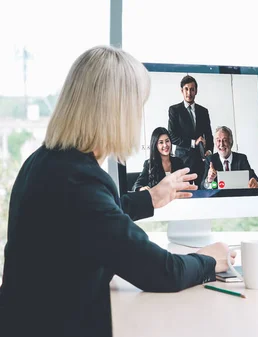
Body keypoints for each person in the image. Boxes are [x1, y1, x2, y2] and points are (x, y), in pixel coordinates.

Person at [0, 46, 237, 337]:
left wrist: (149, 198)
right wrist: (210, 260)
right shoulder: (80, 183)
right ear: (119, 112)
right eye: (138, 106)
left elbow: (95, 219)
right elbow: (163, 272)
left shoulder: (48, 162)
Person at [168, 75, 213, 183]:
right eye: (186, 89)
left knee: (202, 191)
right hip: (182, 160)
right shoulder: (174, 110)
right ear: (181, 91)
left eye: (192, 89)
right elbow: (172, 136)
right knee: (185, 193)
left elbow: (209, 135)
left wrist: (209, 151)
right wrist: (193, 142)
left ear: (196, 91)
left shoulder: (203, 111)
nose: (189, 93)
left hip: (200, 160)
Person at [132, 127, 185, 191]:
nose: (165, 145)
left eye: (167, 141)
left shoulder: (178, 162)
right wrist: (141, 189)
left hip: (178, 199)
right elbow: (137, 185)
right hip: (159, 200)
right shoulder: (149, 164)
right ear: (155, 145)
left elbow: (186, 182)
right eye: (161, 142)